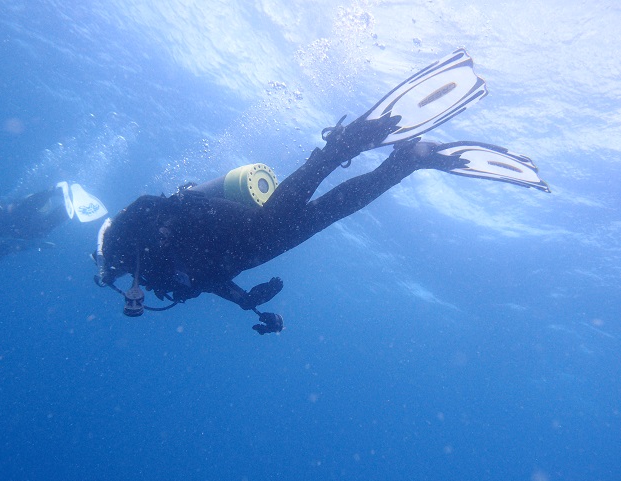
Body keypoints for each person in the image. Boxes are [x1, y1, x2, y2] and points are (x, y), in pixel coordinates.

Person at [93, 49, 550, 334]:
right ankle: (406, 162)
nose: (128, 294)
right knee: (327, 215)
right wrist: (245, 302)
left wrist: (161, 230)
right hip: (245, 252)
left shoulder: (124, 246)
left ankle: (341, 147)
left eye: (115, 282)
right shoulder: (157, 281)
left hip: (221, 224)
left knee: (274, 222)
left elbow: (150, 206)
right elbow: (207, 281)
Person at [0, 181, 107, 264]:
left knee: (17, 214)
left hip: (13, 213)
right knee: (39, 231)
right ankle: (66, 209)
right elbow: (1, 248)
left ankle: (54, 190)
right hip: (17, 227)